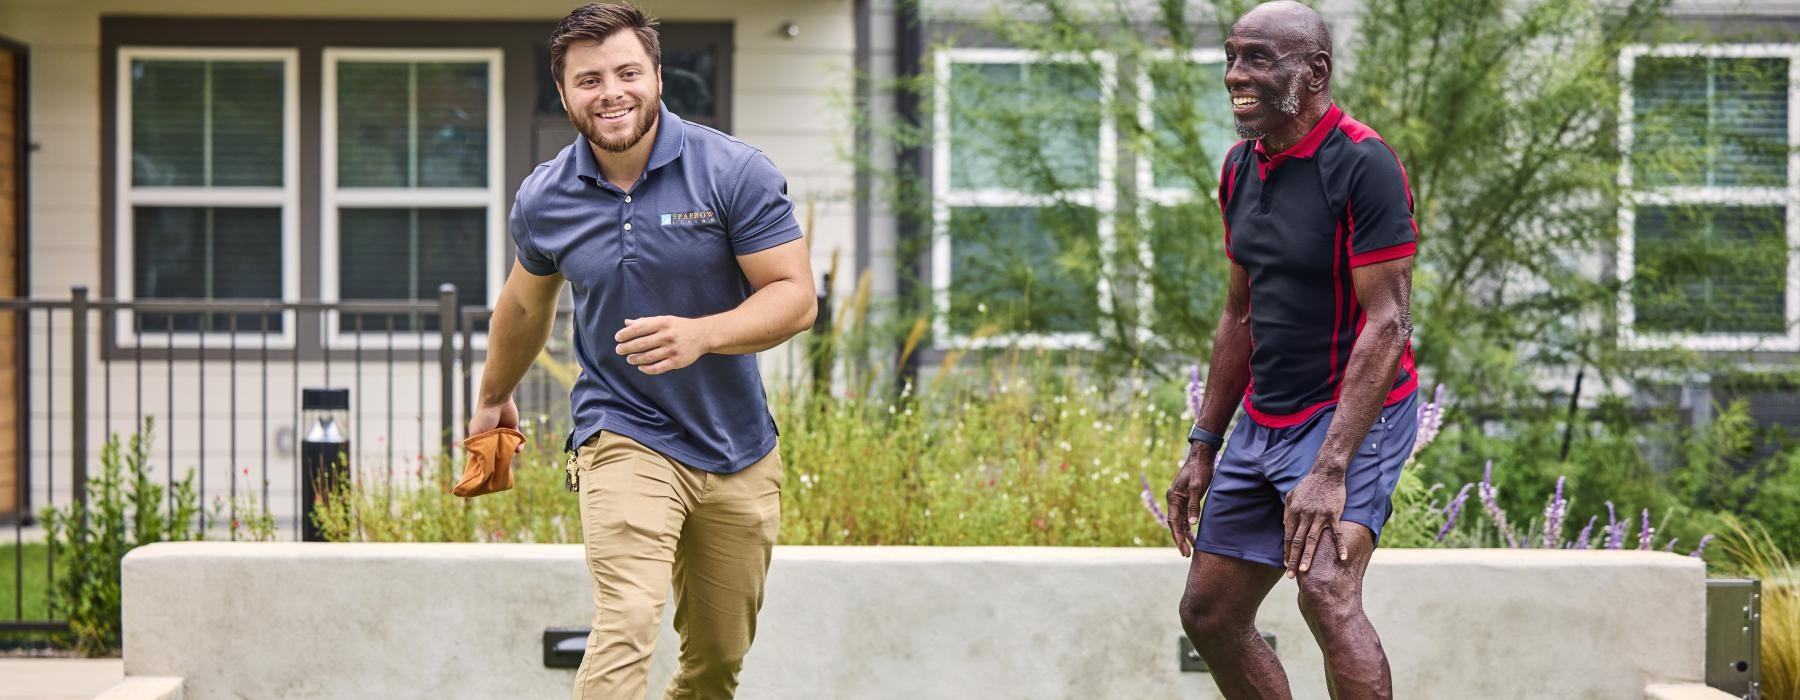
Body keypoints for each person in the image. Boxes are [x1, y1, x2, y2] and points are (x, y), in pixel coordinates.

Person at [466, 4, 816, 698]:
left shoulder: (732, 172)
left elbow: (795, 296)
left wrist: (704, 334)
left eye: (628, 72)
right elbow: (526, 303)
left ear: (657, 75)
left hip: (736, 445)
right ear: (563, 92)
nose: (611, 92)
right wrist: (491, 396)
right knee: (626, 617)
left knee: (717, 660)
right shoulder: (546, 197)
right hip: (622, 432)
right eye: (589, 80)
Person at [1164, 2, 1419, 697]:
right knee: (1211, 611)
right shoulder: (1240, 168)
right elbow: (1239, 311)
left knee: (1327, 592)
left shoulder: (1364, 164)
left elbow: (1389, 324)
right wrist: (1203, 443)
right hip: (1266, 418)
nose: (1235, 75)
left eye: (1257, 59)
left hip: (1352, 414)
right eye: (1231, 57)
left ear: (1315, 72)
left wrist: (1330, 468)